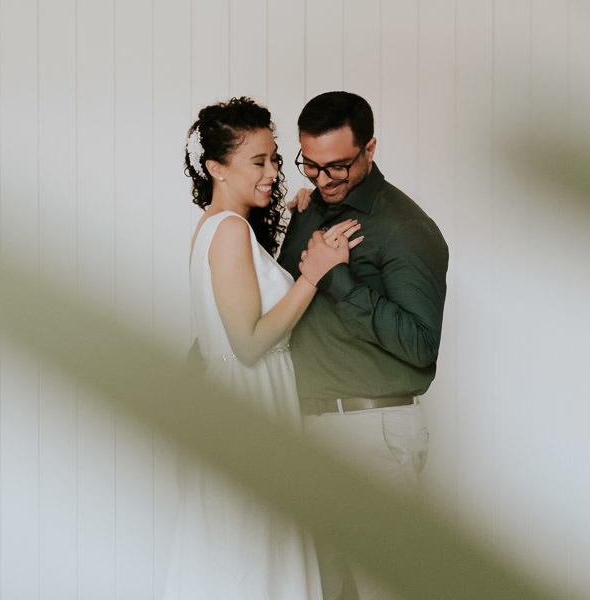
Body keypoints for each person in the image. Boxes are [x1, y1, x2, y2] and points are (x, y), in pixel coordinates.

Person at [165, 97, 362, 600]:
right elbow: (250, 343)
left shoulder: (225, 227)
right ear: (215, 168)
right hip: (250, 409)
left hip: (250, 403)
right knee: (252, 562)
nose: (274, 170)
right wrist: (313, 274)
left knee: (250, 558)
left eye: (275, 158)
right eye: (260, 161)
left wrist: (299, 220)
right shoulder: (228, 231)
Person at [278, 91, 450, 600]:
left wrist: (340, 280)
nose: (324, 179)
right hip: (308, 427)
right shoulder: (309, 209)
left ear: (369, 149)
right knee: (327, 590)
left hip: (373, 431)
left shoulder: (405, 229)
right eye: (311, 166)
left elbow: (422, 346)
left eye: (338, 167)